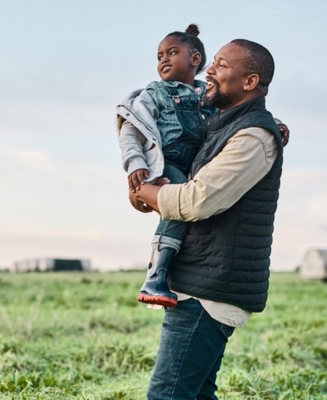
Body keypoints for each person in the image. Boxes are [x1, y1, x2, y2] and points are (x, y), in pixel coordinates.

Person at [129, 39, 285, 399]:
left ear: (250, 81)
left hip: (209, 290)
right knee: (196, 394)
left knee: (167, 395)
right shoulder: (224, 126)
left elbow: (198, 200)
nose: (209, 71)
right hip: (201, 281)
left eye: (222, 65)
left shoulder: (254, 135)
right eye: (212, 62)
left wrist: (146, 194)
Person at [116, 25, 288, 309]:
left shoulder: (207, 96)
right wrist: (136, 167)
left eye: (172, 52)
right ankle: (155, 275)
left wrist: (275, 121)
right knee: (174, 213)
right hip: (169, 162)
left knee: (181, 208)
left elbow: (240, 115)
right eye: (159, 56)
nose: (163, 60)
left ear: (195, 59)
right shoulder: (154, 93)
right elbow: (132, 131)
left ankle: (160, 275)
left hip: (196, 166)